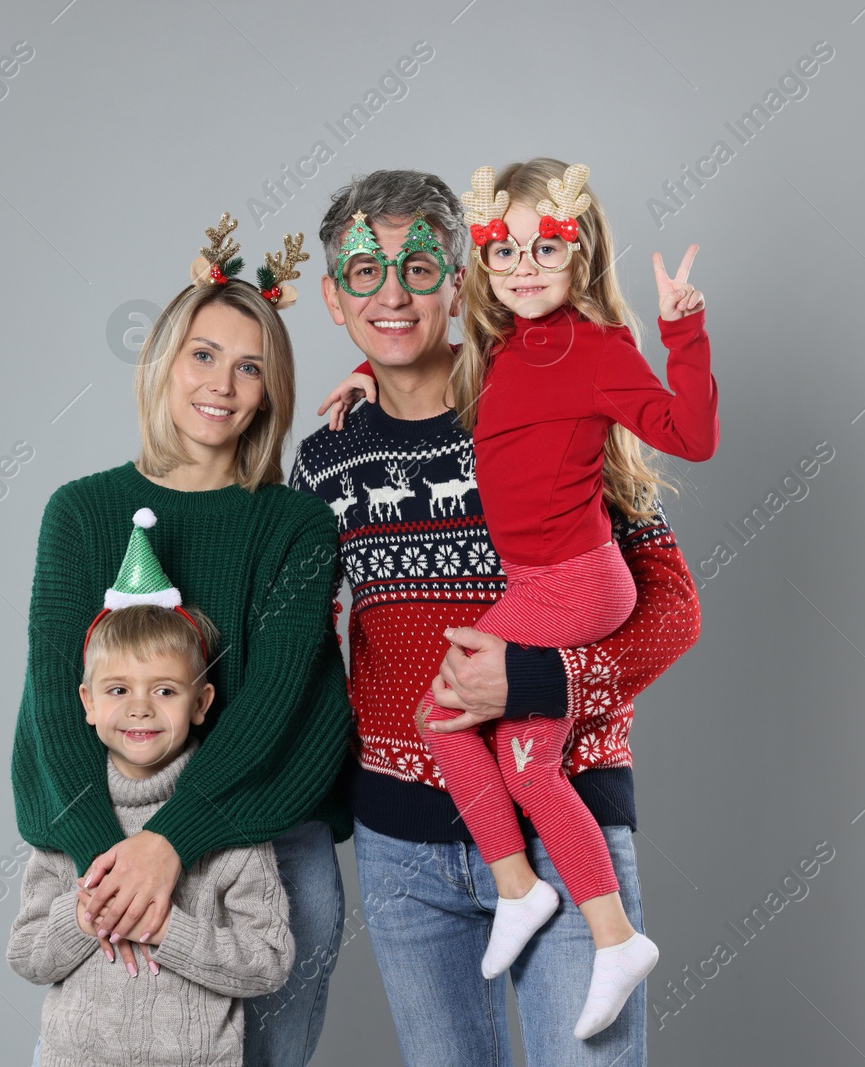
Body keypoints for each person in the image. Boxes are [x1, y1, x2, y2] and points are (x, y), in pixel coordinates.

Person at [289, 169, 702, 1065]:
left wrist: (541, 679)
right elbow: (310, 657)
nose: (393, 295)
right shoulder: (325, 462)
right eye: (365, 275)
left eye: (421, 269)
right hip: (404, 851)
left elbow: (672, 608)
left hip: (566, 822)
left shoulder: (542, 398)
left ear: (462, 279)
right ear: (333, 296)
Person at [11, 215, 352, 1067]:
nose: (224, 385)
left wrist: (173, 841)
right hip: (105, 843)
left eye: (250, 367)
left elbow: (275, 704)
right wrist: (110, 863)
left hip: (265, 847)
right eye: (204, 355)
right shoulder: (81, 512)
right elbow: (56, 699)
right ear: (164, 360)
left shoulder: (297, 526)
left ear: (271, 390)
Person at [7, 525, 294, 1066]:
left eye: (164, 690)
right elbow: (27, 954)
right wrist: (85, 916)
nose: (140, 708)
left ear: (202, 702)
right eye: (118, 691)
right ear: (87, 703)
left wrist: (168, 929)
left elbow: (268, 961)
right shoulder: (68, 818)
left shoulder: (226, 825)